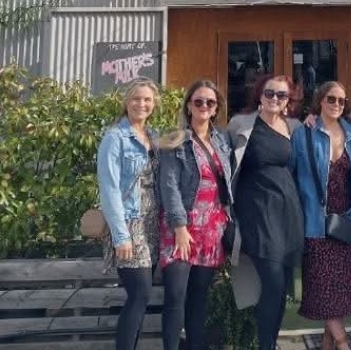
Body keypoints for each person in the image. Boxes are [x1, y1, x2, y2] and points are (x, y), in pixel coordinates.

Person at [228, 73, 304, 350]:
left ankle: (269, 343)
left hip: (287, 213)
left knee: (281, 288)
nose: (275, 98)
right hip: (257, 212)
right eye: (269, 93)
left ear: (288, 100)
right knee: (272, 283)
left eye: (281, 95)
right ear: (259, 95)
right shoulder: (241, 124)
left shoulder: (295, 126)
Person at [158, 79, 234, 350]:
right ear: (189, 106)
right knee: (175, 296)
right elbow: (169, 186)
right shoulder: (175, 140)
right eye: (198, 101)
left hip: (212, 229)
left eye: (210, 102)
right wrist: (180, 227)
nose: (204, 106)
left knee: (199, 298)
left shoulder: (222, 140)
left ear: (216, 108)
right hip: (181, 228)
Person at [292, 80, 351, 350]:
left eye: (341, 101)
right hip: (316, 223)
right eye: (331, 99)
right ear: (320, 100)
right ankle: (344, 344)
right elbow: (290, 172)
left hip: (346, 222)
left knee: (338, 297)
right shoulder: (304, 133)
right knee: (325, 292)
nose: (336, 104)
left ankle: (327, 345)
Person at [97, 78, 161, 350]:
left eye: (147, 99)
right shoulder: (115, 138)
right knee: (139, 294)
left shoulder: (153, 136)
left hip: (152, 224)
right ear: (126, 102)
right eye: (136, 98)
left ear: (154, 104)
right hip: (129, 223)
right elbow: (109, 189)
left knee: (141, 298)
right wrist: (120, 236)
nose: (141, 104)